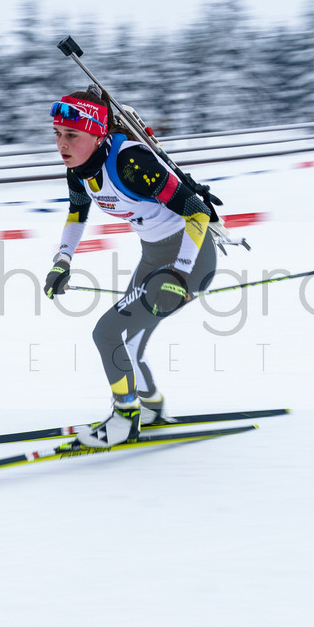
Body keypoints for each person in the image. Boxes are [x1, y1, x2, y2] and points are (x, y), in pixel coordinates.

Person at [44, 84, 218, 448]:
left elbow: (198, 212)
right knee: (128, 341)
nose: (62, 144)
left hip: (191, 260)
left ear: (97, 134)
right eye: (58, 133)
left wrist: (180, 272)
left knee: (106, 334)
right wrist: (62, 261)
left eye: (71, 135)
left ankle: (125, 418)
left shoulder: (130, 164)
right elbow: (77, 215)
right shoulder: (78, 168)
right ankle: (151, 407)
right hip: (154, 257)